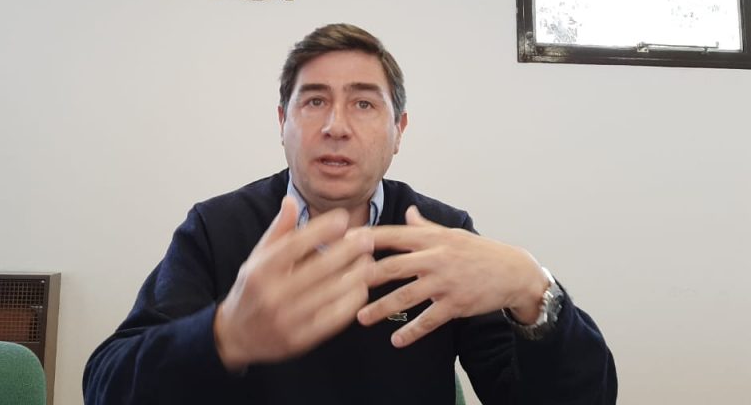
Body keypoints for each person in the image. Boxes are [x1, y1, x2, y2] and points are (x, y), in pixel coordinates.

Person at [83, 24, 617, 405]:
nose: (335, 126)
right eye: (314, 101)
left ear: (398, 131)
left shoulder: (442, 235)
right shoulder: (216, 228)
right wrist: (221, 336)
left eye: (364, 104)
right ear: (283, 122)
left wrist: (533, 291)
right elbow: (105, 386)